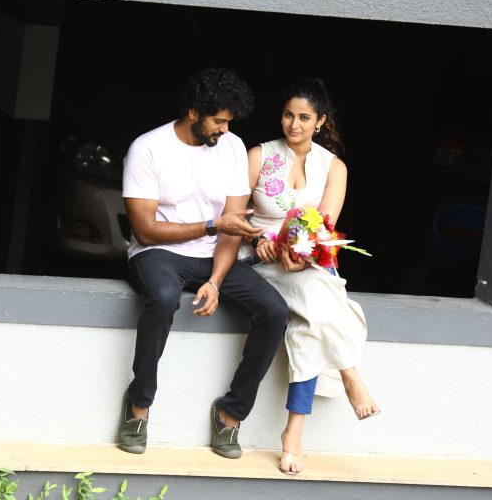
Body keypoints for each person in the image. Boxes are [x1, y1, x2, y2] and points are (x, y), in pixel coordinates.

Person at [119, 67, 289, 460]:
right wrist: (212, 225)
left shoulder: (232, 147)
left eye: (229, 122)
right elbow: (145, 230)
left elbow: (233, 227)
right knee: (164, 297)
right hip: (158, 253)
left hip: (214, 254)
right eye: (219, 121)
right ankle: (139, 405)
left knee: (274, 311)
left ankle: (231, 413)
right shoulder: (148, 148)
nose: (226, 130)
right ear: (194, 113)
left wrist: (215, 279)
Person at [241, 78, 381, 475]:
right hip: (262, 262)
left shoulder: (333, 167)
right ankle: (350, 374)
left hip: (308, 264)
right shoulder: (259, 155)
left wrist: (299, 256)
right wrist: (259, 240)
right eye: (288, 115)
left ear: (320, 121)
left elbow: (324, 228)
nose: (294, 124)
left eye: (304, 117)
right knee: (321, 299)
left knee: (309, 322)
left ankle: (293, 434)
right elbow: (233, 213)